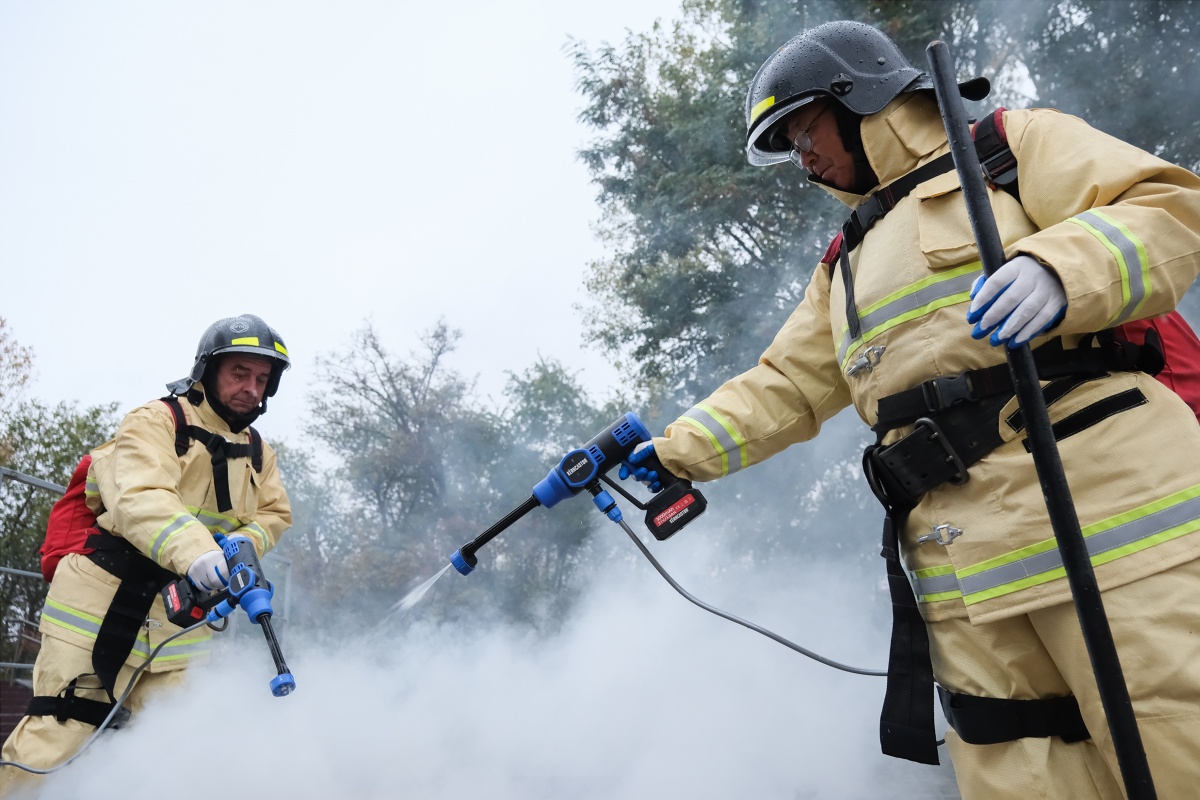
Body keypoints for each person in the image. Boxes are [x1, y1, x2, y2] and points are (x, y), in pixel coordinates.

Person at [623, 21, 1200, 800]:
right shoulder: (847, 260)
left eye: (804, 131)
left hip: (1109, 529)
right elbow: (785, 385)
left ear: (856, 97)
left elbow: (1164, 203)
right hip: (961, 574)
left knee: (1174, 739)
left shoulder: (1007, 148)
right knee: (1017, 767)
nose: (803, 160)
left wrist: (1064, 268)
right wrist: (673, 453)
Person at [0, 314, 292, 796]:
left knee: (176, 745)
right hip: (98, 602)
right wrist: (201, 553)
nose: (251, 388)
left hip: (180, 616)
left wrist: (241, 548)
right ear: (208, 370)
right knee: (64, 727)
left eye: (262, 379)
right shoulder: (155, 421)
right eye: (240, 373)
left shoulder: (260, 452)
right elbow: (140, 497)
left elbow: (274, 515)